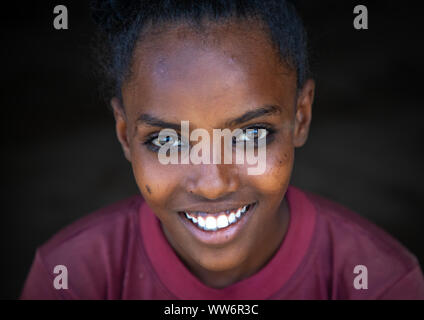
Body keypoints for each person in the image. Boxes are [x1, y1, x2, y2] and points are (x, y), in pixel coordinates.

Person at [21, 0, 424, 299]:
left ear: (300, 117)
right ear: (125, 135)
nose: (213, 184)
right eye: (169, 141)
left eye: (250, 135)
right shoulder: (72, 278)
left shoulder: (378, 282)